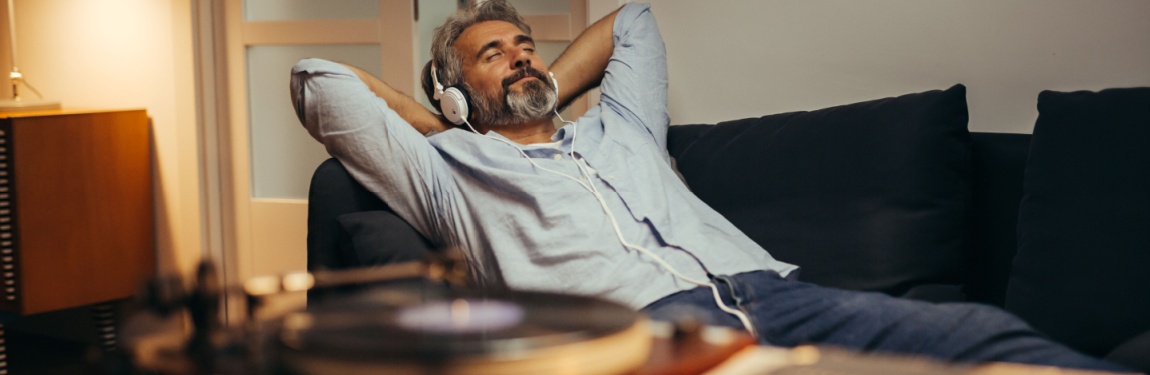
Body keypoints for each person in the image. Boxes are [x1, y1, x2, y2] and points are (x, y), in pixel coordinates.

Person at [290, 1, 1129, 372]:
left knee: (984, 335)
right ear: (451, 87)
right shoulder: (451, 176)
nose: (522, 56)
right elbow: (315, 78)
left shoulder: (622, 130)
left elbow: (634, 21)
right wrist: (455, 126)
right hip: (647, 334)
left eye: (528, 44)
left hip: (779, 292)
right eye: (493, 53)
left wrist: (528, 83)